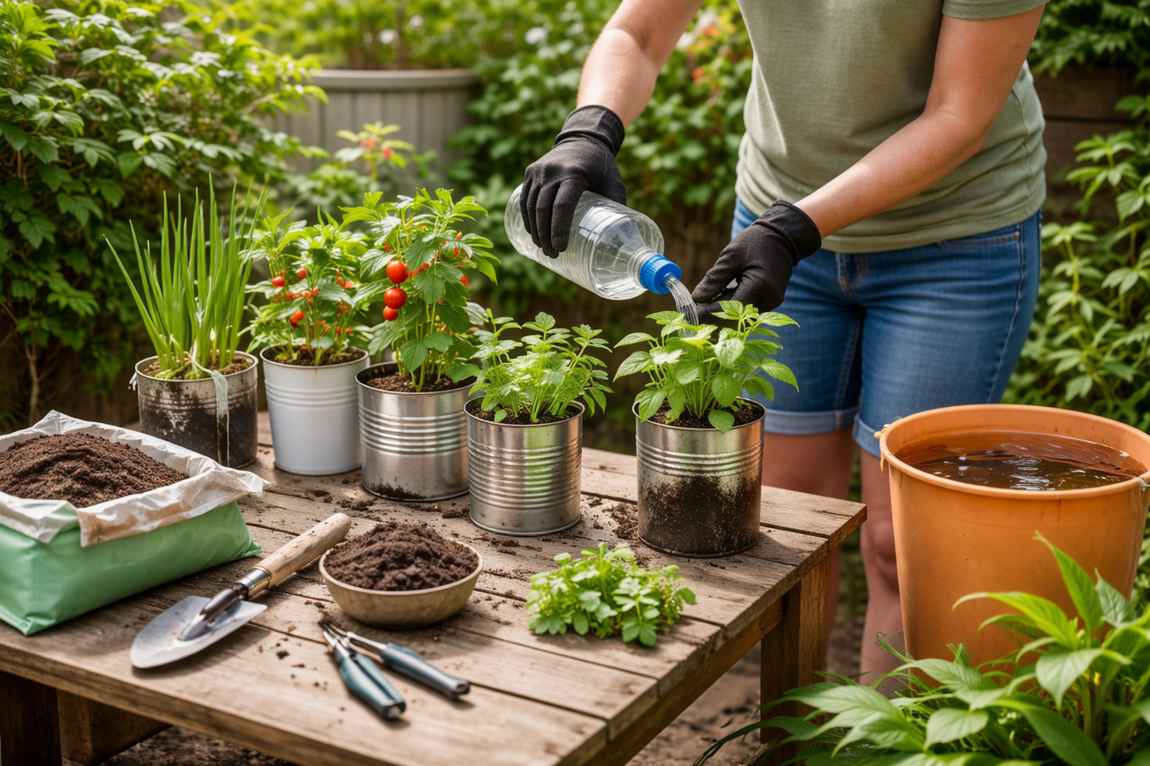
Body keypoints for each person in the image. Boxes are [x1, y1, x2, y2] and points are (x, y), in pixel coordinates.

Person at [518, 0, 1047, 674]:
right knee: (790, 525)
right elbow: (638, 32)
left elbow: (959, 113)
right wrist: (588, 129)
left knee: (901, 546)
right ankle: (790, 727)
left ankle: (881, 732)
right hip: (781, 219)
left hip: (953, 241)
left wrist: (796, 228)